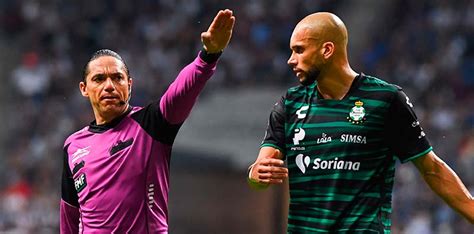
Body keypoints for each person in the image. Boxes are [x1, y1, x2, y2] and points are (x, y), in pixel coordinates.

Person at [248, 12, 474, 232]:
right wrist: (255, 174)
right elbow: (261, 168)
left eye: (299, 50)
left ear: (327, 50)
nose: (291, 60)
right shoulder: (290, 104)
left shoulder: (385, 100)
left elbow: (432, 169)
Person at [60, 9, 235, 233]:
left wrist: (208, 56)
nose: (109, 86)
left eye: (117, 77)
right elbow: (69, 215)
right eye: (99, 79)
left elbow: (180, 93)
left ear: (129, 85)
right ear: (84, 89)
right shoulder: (73, 145)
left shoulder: (151, 124)